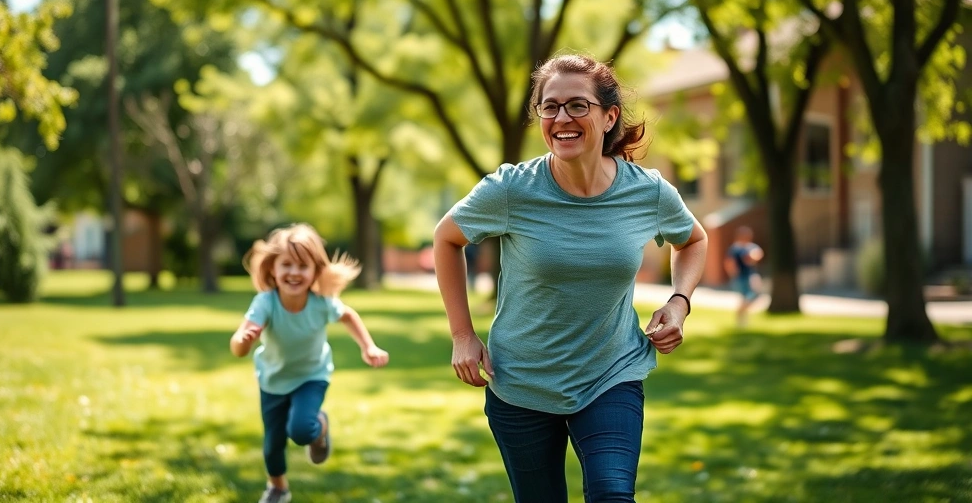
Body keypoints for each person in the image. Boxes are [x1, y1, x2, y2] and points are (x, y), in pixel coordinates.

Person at [432, 53, 708, 503]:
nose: (562, 117)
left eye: (578, 105)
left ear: (608, 116)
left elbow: (694, 240)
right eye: (550, 106)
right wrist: (462, 334)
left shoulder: (648, 191)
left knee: (612, 494)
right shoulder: (511, 189)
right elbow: (446, 239)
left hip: (611, 372)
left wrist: (679, 301)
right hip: (522, 380)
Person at [231, 223, 390, 503]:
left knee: (302, 430)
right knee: (272, 445)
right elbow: (238, 349)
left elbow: (349, 316)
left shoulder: (321, 303)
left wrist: (369, 346)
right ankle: (278, 488)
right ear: (272, 269)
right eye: (287, 264)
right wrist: (244, 338)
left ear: (316, 271)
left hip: (311, 377)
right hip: (273, 380)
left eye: (303, 266)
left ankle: (321, 426)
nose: (294, 272)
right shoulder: (265, 302)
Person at [724, 225, 764, 327]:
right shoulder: (735, 249)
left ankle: (741, 315)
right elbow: (729, 263)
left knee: (755, 294)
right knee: (746, 297)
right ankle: (741, 320)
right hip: (740, 277)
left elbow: (758, 255)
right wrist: (733, 274)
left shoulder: (751, 247)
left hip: (751, 275)